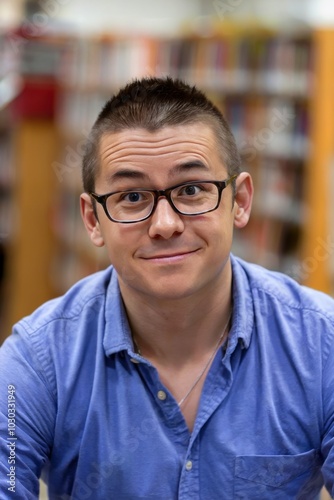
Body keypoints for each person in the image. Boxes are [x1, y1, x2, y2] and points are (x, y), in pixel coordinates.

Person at [0, 77, 333, 500]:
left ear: (241, 200)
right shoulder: (37, 359)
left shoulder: (322, 343)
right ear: (91, 220)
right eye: (133, 197)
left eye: (192, 190)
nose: (164, 225)